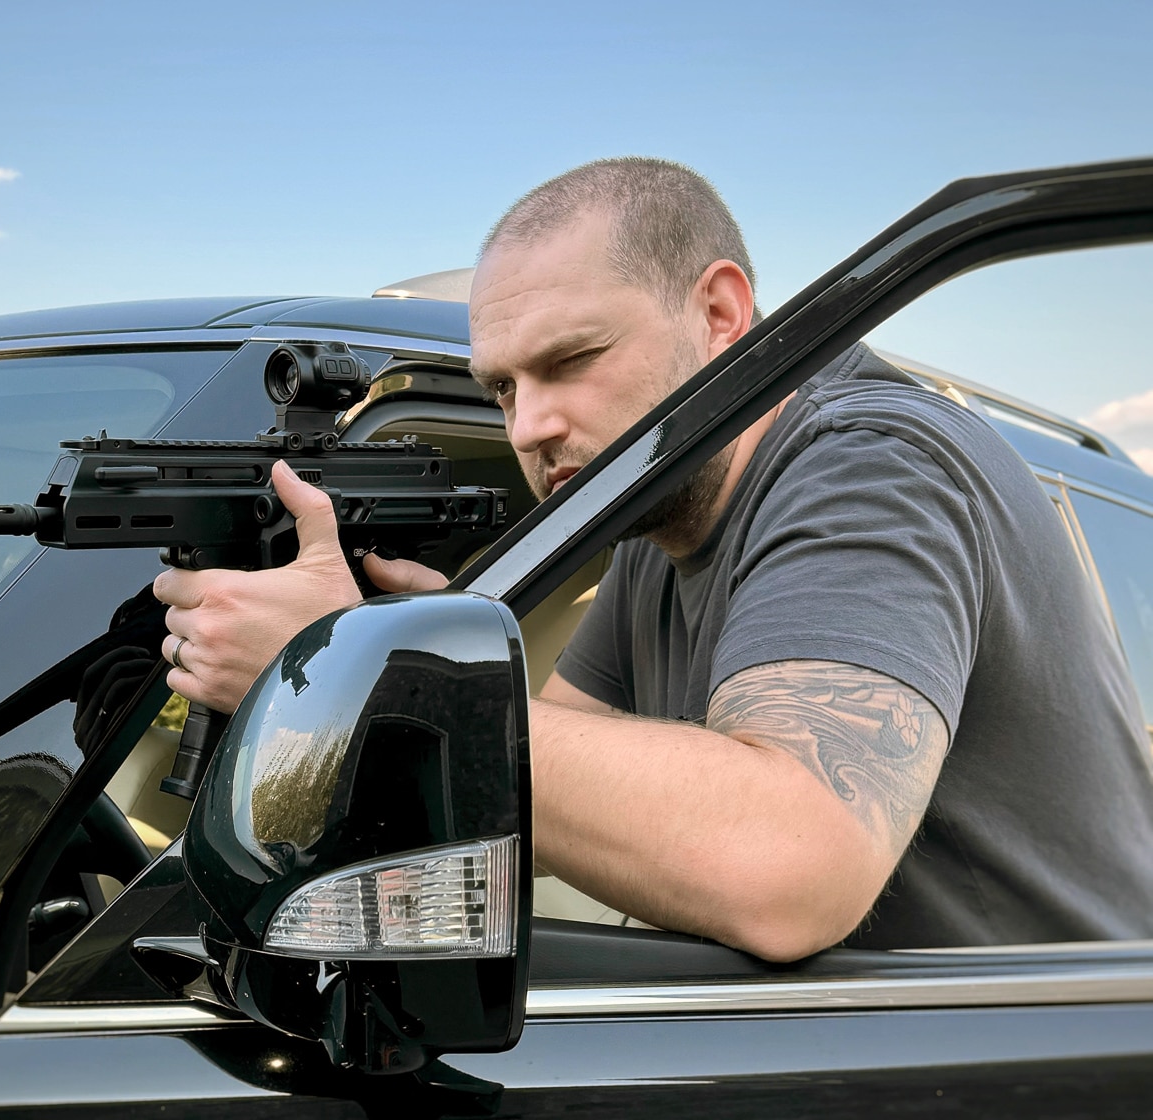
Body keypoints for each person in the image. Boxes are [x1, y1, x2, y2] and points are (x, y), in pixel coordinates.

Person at [153, 157, 1153, 961]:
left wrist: (359, 672)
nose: (531, 424)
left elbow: (786, 867)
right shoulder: (654, 514)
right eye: (502, 389)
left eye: (570, 361)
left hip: (1038, 1066)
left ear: (719, 313)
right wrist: (425, 636)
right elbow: (537, 776)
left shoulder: (870, 459)